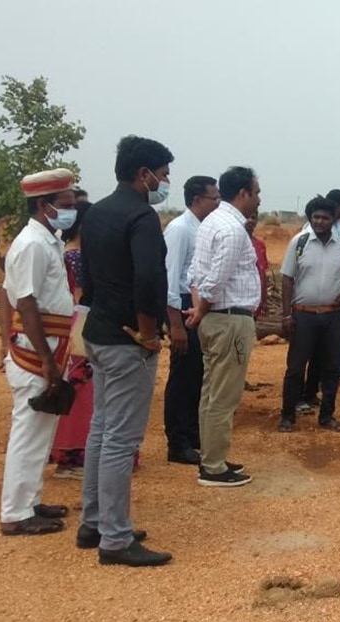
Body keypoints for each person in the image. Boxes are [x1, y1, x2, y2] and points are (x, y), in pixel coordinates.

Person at [77, 135, 174, 567]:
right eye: (163, 175)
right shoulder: (142, 217)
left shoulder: (96, 212)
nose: (165, 182)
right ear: (143, 175)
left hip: (99, 332)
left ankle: (94, 522)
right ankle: (115, 540)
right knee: (120, 438)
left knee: (101, 429)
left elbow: (90, 274)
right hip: (127, 340)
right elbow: (148, 279)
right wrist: (149, 334)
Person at [0, 168, 78, 536]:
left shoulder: (46, 240)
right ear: (45, 206)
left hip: (49, 346)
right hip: (36, 350)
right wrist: (45, 359)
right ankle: (15, 512)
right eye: (66, 204)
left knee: (40, 431)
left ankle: (29, 500)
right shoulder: (31, 244)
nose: (71, 209)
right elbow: (24, 302)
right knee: (28, 432)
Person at [186, 166, 262, 488]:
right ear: (243, 193)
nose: (259, 198)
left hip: (216, 319)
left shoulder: (211, 223)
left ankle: (211, 457)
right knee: (224, 396)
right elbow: (215, 280)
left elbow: (194, 275)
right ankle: (214, 467)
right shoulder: (231, 230)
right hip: (229, 319)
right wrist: (202, 308)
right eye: (256, 192)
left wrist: (199, 309)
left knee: (210, 393)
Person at [279, 195, 340, 433]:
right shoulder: (299, 243)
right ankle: (287, 416)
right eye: (315, 217)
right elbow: (286, 278)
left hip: (332, 316)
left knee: (330, 368)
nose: (320, 221)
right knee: (296, 368)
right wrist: (286, 315)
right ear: (310, 218)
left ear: (332, 219)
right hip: (303, 315)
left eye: (325, 217)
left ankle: (327, 416)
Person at [162, 175, 220, 466]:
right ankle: (177, 442)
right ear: (198, 199)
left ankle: (192, 434)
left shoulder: (203, 229)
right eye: (214, 198)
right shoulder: (180, 230)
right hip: (182, 308)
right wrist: (175, 326)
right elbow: (170, 280)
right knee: (183, 376)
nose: (218, 202)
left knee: (198, 373)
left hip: (198, 306)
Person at [48, 200, 93, 480]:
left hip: (74, 322)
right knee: (83, 389)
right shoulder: (77, 257)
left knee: (81, 388)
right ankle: (74, 453)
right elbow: (80, 294)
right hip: (82, 322)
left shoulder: (66, 253)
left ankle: (73, 452)